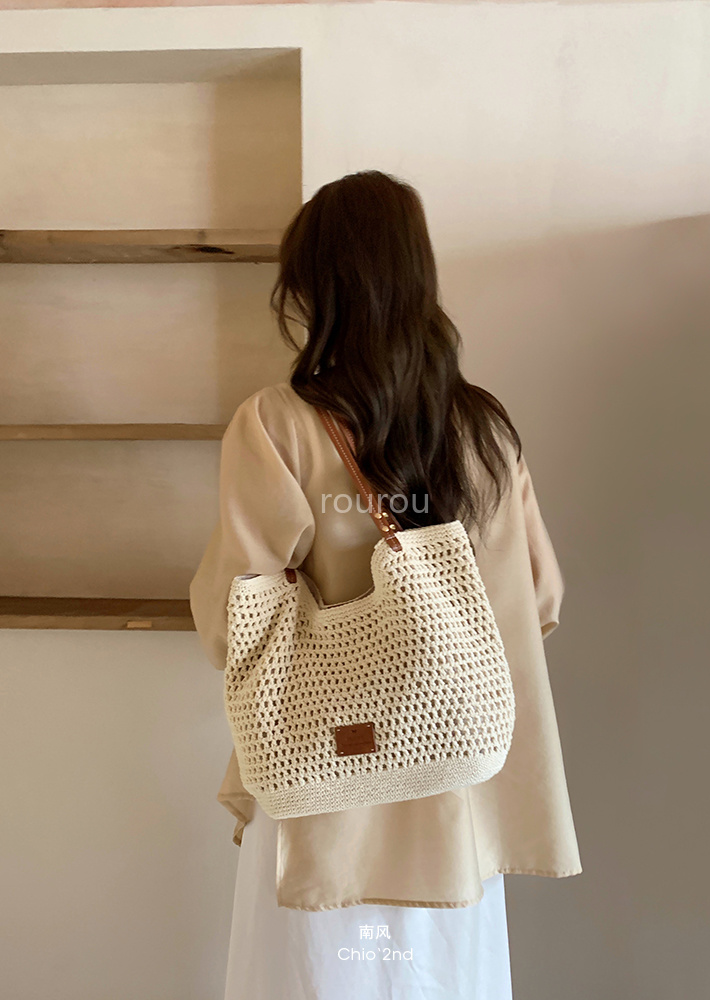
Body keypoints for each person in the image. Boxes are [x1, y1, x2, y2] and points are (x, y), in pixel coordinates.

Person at [189, 169, 581, 1000]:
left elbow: (230, 620)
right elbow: (539, 600)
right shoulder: (484, 431)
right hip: (457, 799)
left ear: (314, 282)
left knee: (317, 975)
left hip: (326, 791)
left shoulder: (278, 423)